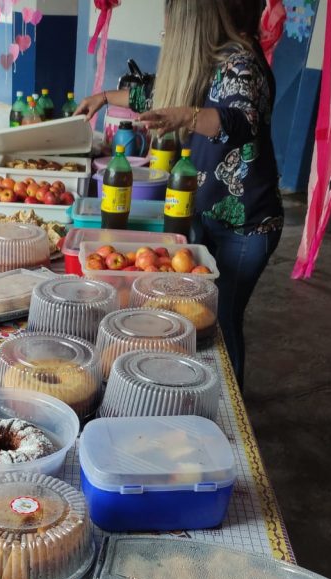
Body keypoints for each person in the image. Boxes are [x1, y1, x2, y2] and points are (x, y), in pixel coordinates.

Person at [76, 0, 283, 389]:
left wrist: (186, 116)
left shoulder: (240, 62)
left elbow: (241, 120)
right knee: (194, 316)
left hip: (246, 225)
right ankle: (190, 388)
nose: (166, 26)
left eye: (172, 18)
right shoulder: (211, 61)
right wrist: (104, 97)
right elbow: (154, 93)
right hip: (205, 213)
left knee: (221, 319)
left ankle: (230, 406)